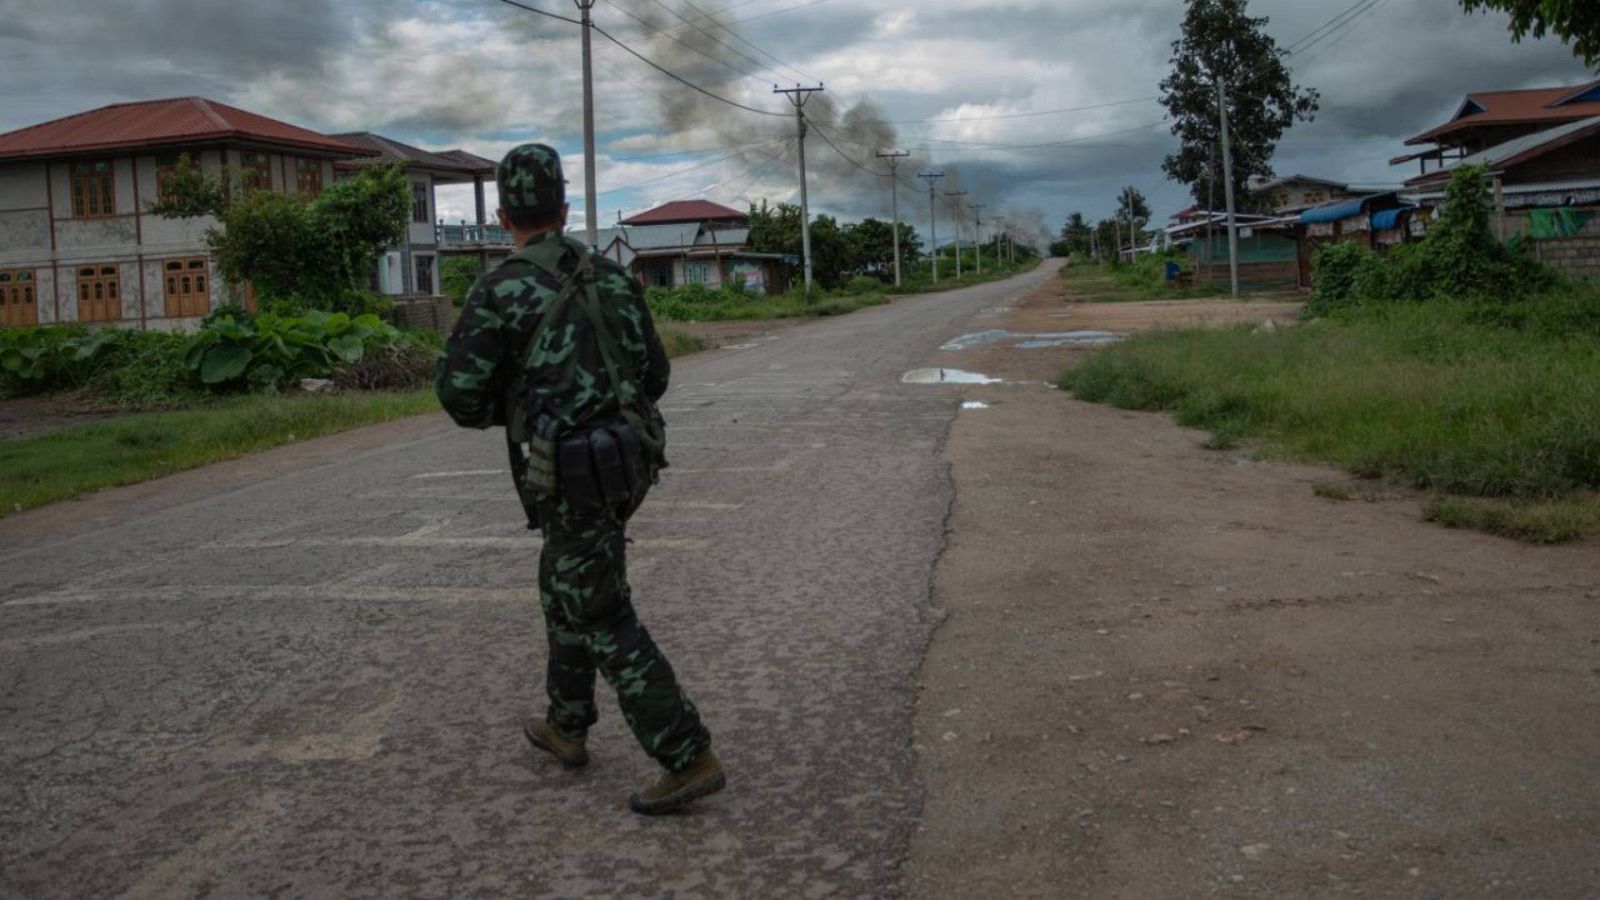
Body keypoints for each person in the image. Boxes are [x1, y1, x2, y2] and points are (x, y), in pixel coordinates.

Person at [435, 144, 722, 816]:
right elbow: (655, 376)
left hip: (569, 475)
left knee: (598, 609)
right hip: (629, 463)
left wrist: (524, 404)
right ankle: (566, 725)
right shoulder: (614, 278)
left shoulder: (499, 288)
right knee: (565, 582)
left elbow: (461, 400)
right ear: (564, 209)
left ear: (504, 215)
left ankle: (686, 754)